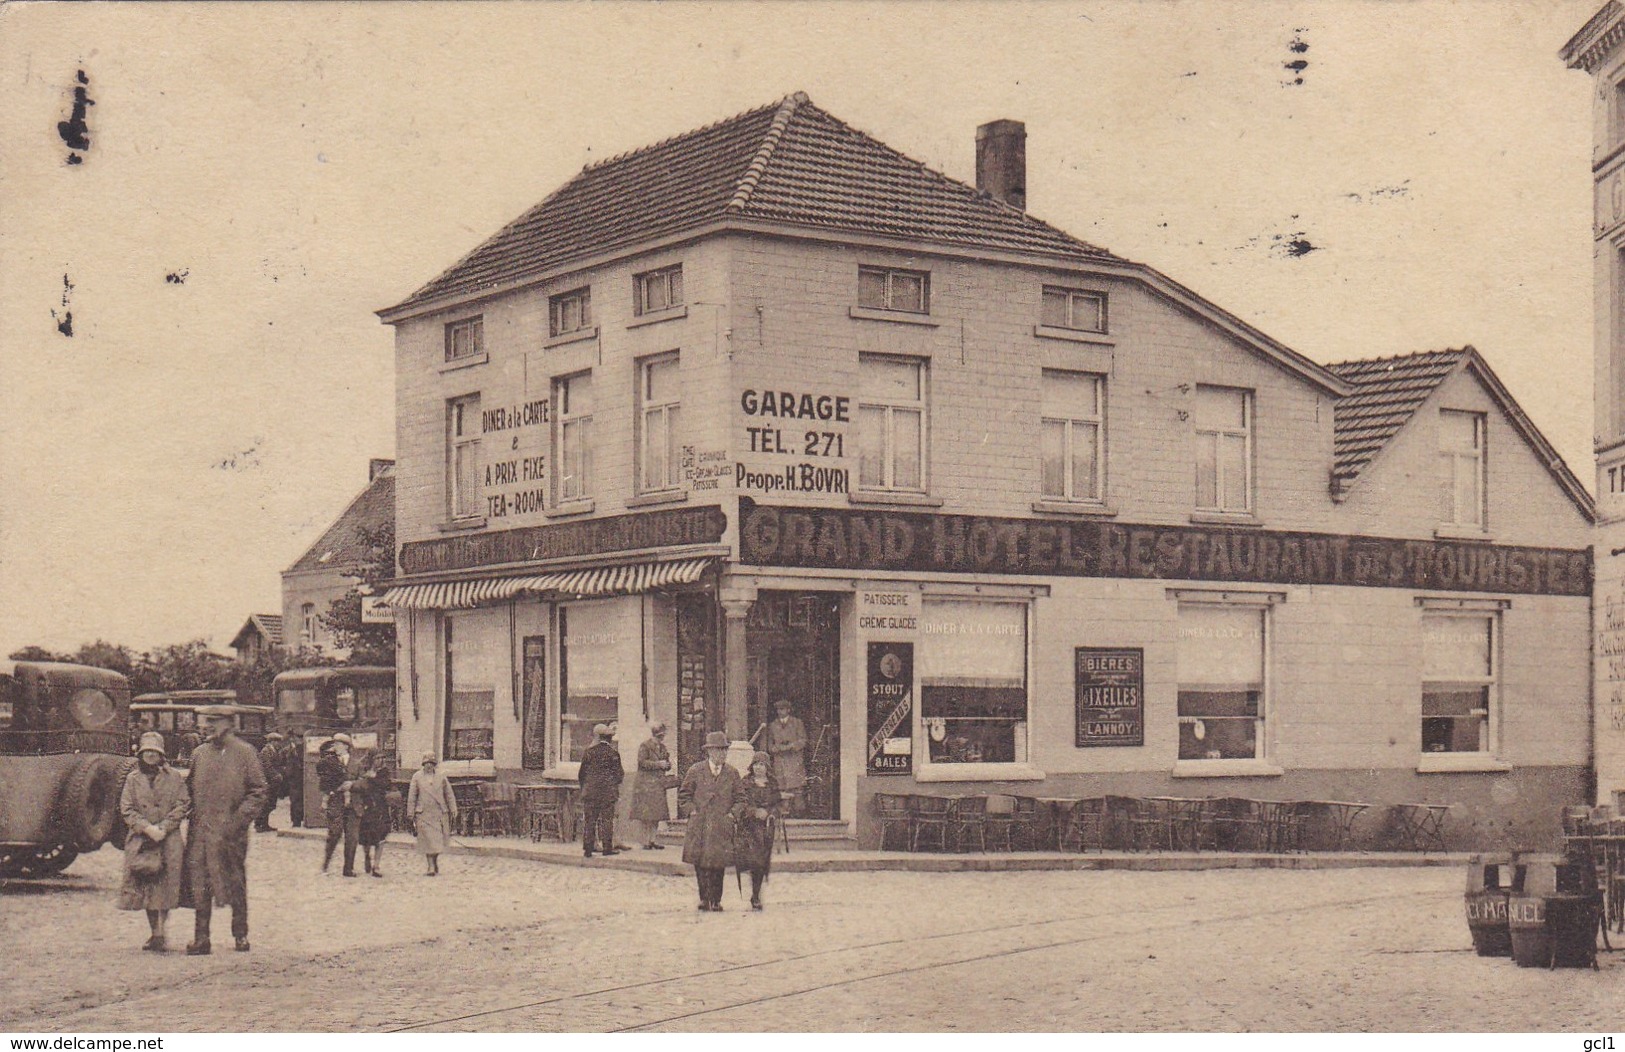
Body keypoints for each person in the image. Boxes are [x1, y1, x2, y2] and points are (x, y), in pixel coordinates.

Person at [181, 705, 269, 955]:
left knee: (235, 882)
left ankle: (240, 934)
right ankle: (201, 938)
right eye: (206, 721)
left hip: (231, 835)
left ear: (229, 723)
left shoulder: (245, 753)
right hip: (200, 833)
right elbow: (189, 790)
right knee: (200, 883)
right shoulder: (199, 753)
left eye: (214, 721)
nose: (207, 726)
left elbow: (258, 791)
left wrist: (237, 822)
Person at [118, 731, 190, 951]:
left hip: (168, 840)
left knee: (166, 886)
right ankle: (155, 932)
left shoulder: (175, 777)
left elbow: (183, 804)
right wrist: (146, 828)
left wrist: (164, 827)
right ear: (140, 754)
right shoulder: (132, 779)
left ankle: (161, 930)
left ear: (162, 755)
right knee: (147, 885)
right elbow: (126, 808)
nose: (151, 755)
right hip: (142, 840)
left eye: (155, 752)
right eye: (146, 751)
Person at [678, 731, 744, 912]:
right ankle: (704, 898)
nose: (722, 754)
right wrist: (691, 811)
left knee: (718, 864)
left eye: (724, 750)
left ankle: (716, 899)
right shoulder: (695, 770)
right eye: (718, 750)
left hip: (721, 825)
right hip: (700, 824)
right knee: (700, 863)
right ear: (709, 752)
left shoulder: (732, 773)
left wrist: (732, 815)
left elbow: (741, 799)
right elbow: (684, 795)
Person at [735, 751, 781, 911]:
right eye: (756, 764)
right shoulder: (746, 782)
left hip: (767, 827)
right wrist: (754, 812)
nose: (758, 768)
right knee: (754, 859)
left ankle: (756, 893)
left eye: (761, 764)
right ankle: (754, 895)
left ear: (767, 767)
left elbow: (778, 805)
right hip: (749, 827)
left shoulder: (772, 784)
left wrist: (770, 814)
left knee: (762, 861)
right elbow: (740, 802)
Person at [578, 723, 624, 858]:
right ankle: (607, 848)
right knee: (606, 820)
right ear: (609, 739)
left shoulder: (589, 752)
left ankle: (588, 848)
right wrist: (613, 786)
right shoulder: (614, 754)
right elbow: (619, 775)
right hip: (607, 793)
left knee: (590, 820)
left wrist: (585, 788)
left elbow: (582, 774)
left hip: (590, 792)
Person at [318, 733, 361, 876]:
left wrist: (353, 784)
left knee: (352, 838)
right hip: (336, 802)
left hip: (353, 804)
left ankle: (348, 869)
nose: (335, 747)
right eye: (335, 744)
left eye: (338, 744)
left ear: (346, 746)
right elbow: (324, 781)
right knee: (334, 834)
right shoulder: (329, 762)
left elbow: (364, 783)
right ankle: (325, 864)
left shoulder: (357, 763)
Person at [407, 753, 456, 876]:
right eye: (427, 763)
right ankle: (430, 866)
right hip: (423, 813)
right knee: (427, 841)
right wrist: (410, 813)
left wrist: (453, 808)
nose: (429, 766)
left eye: (432, 763)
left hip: (438, 812)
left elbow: (449, 793)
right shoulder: (417, 777)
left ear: (435, 765)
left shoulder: (441, 777)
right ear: (423, 764)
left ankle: (434, 861)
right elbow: (412, 796)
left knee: (437, 841)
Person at [629, 721, 673, 850]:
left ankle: (653, 839)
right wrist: (659, 764)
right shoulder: (645, 746)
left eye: (662, 736)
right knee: (646, 815)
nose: (661, 738)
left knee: (657, 814)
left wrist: (667, 765)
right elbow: (642, 762)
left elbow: (667, 762)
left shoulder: (663, 748)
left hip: (658, 784)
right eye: (660, 736)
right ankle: (645, 841)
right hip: (646, 785)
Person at [765, 699, 807, 816]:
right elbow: (769, 745)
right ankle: (784, 811)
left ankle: (799, 813)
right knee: (781, 786)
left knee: (796, 787)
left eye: (782, 709)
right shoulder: (773, 726)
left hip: (794, 760)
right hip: (780, 761)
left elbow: (803, 740)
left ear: (788, 710)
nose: (780, 712)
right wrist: (775, 749)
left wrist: (791, 746)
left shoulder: (797, 723)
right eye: (778, 709)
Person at [356, 753, 392, 877]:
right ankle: (367, 856)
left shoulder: (384, 772)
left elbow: (386, 785)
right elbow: (359, 786)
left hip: (380, 807)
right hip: (367, 807)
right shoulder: (364, 770)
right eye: (377, 758)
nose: (380, 761)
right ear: (372, 760)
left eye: (382, 758)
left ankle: (376, 866)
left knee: (381, 836)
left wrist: (374, 777)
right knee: (366, 837)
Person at [254, 732, 286, 832]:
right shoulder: (266, 751)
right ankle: (259, 824)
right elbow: (267, 766)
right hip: (266, 781)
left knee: (270, 803)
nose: (279, 744)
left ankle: (265, 824)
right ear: (272, 741)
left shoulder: (275, 751)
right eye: (277, 742)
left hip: (273, 782)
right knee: (265, 803)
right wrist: (276, 775)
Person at [283, 735, 306, 828]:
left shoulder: (298, 749)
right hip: (294, 779)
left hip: (298, 778)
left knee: (297, 800)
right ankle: (296, 821)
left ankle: (297, 820)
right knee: (296, 800)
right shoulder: (291, 750)